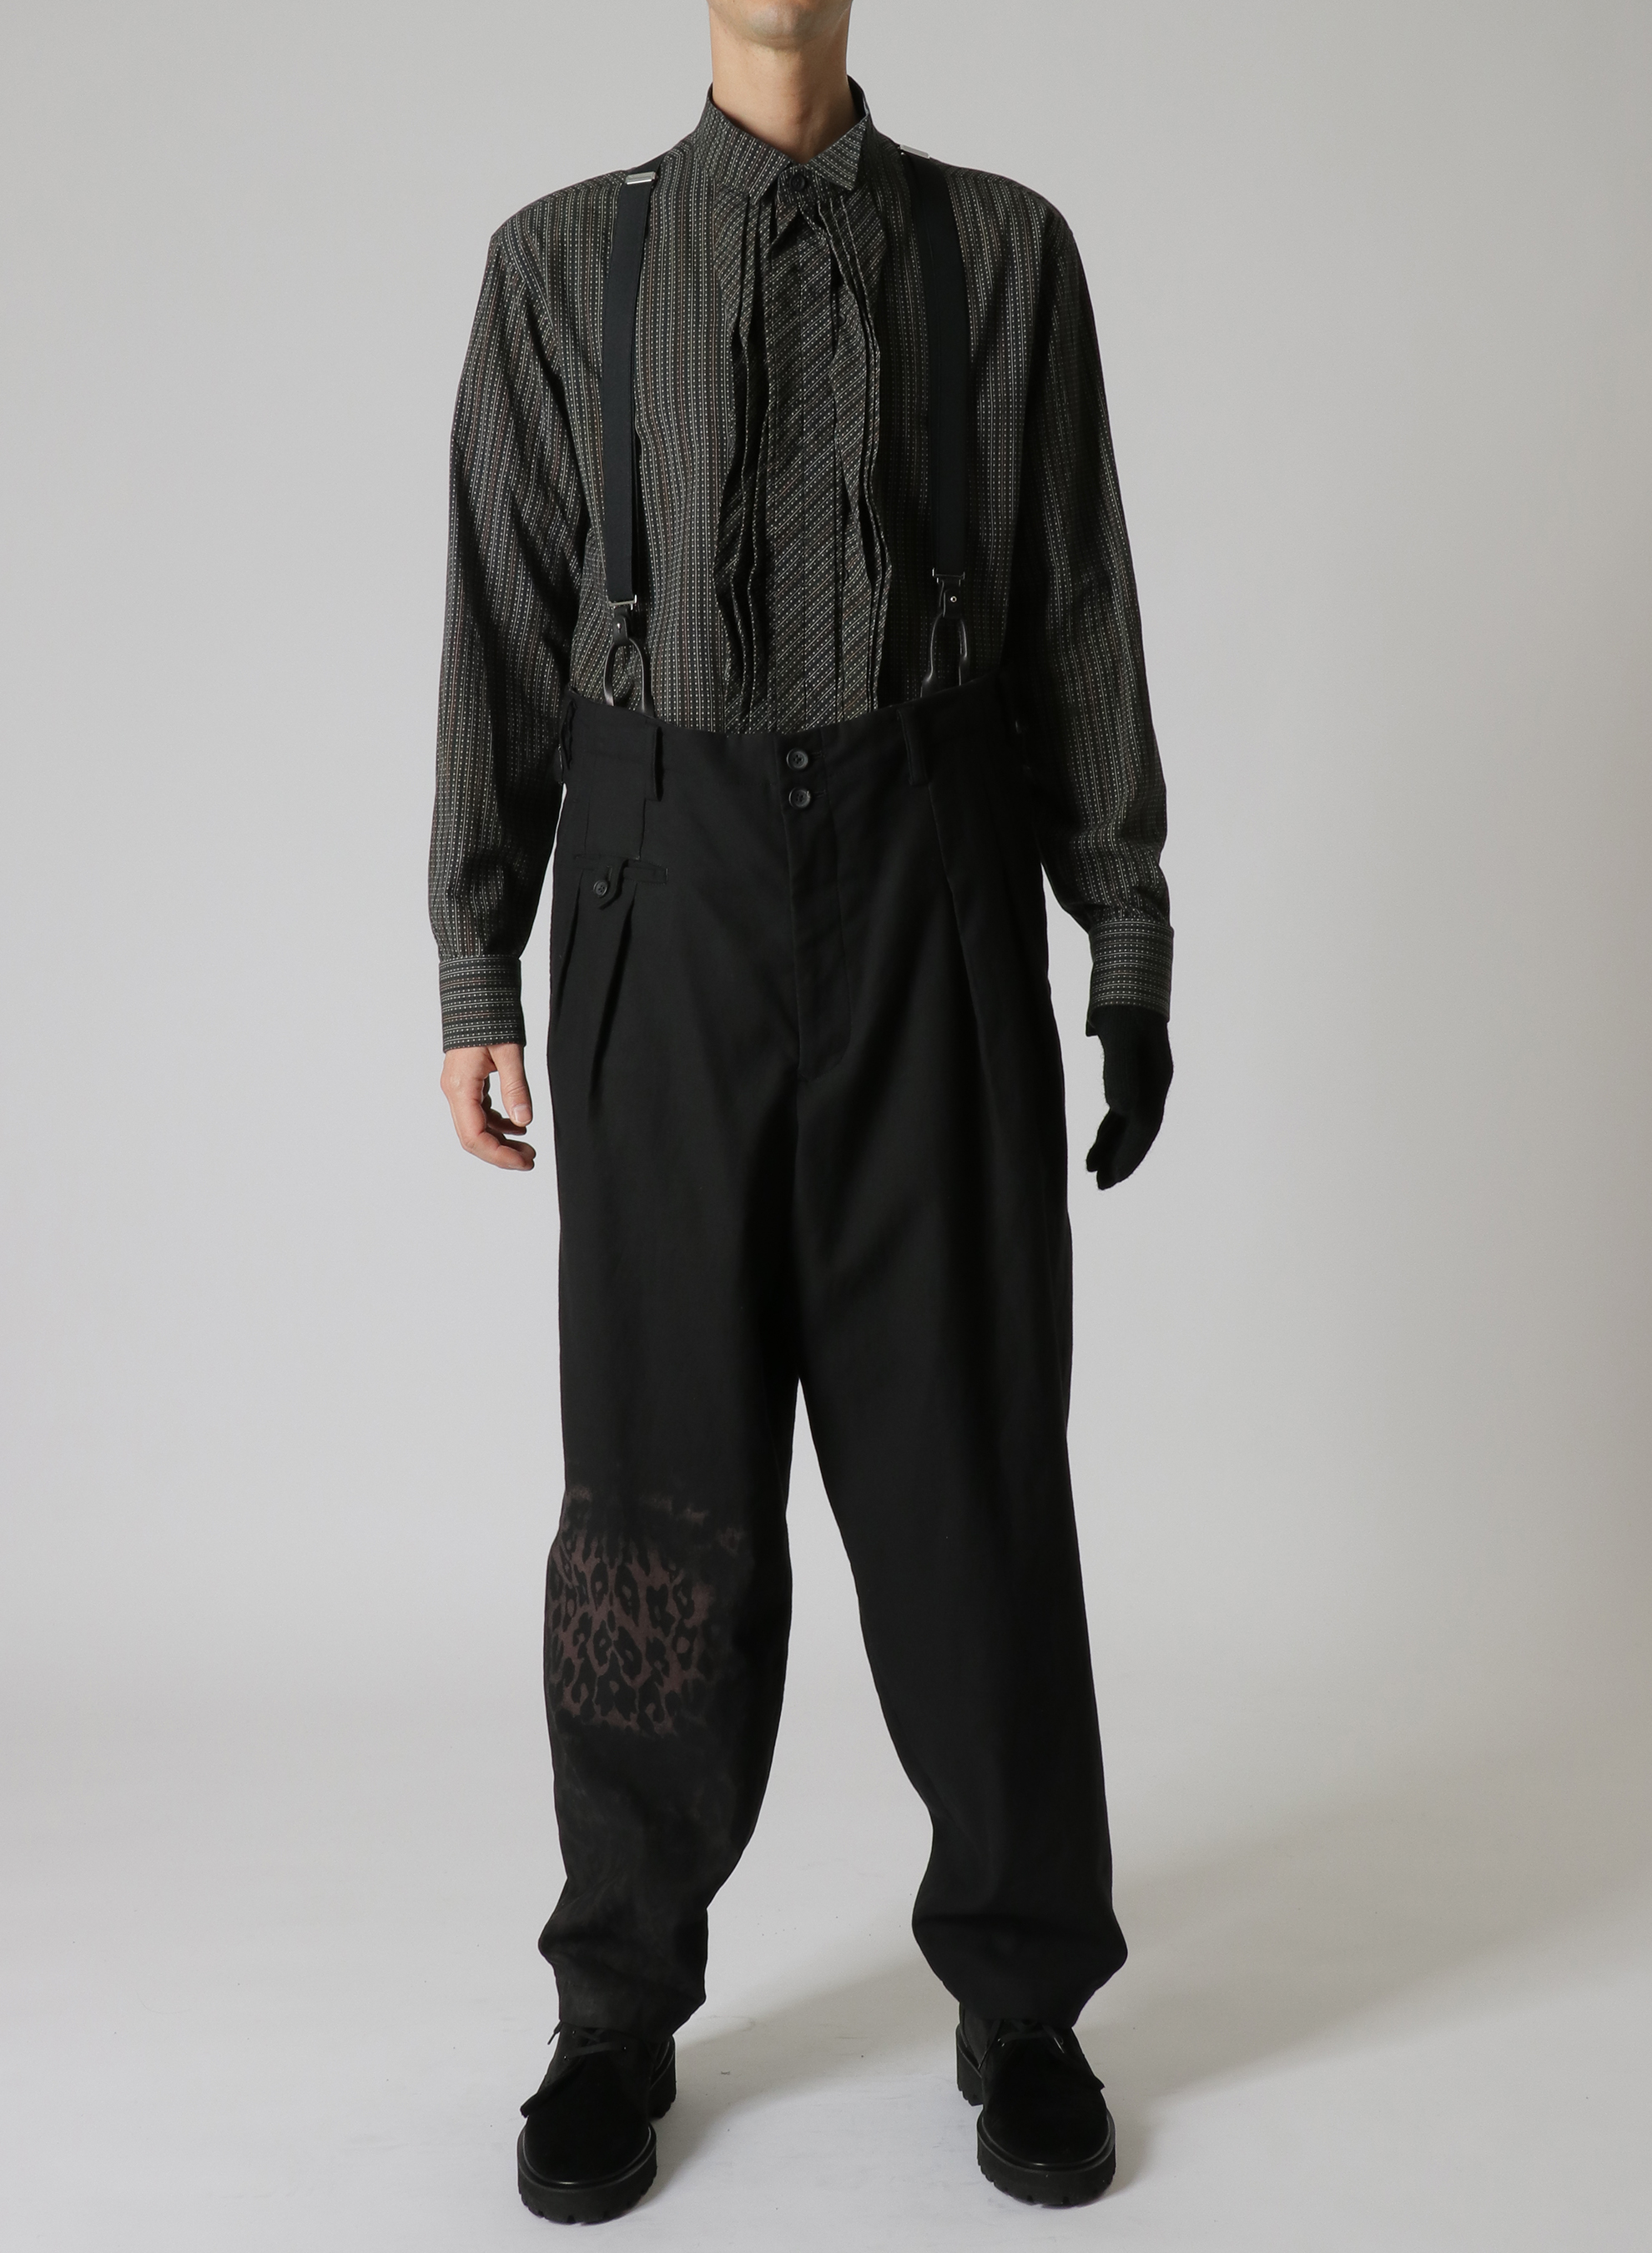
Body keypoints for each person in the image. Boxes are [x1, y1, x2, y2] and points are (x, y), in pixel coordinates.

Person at [429, 0, 1172, 2221]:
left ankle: (1021, 1994)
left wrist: (1123, 935)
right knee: (652, 1484)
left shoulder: (1001, 254)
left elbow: (1073, 605)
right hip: (658, 900)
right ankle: (613, 2005)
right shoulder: (563, 264)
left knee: (968, 1470)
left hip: (933, 892)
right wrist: (474, 957)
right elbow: (500, 622)